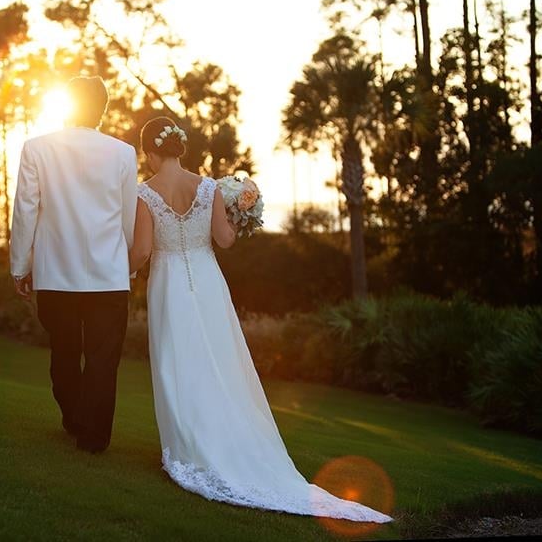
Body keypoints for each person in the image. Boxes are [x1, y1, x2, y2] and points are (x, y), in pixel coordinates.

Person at [128, 116, 393, 522]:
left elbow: (143, 250)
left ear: (149, 151)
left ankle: (188, 448)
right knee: (219, 359)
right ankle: (221, 438)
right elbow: (224, 240)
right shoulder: (209, 187)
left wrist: (124, 268)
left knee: (177, 362)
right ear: (179, 147)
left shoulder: (144, 194)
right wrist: (239, 216)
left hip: (168, 284)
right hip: (207, 279)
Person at [10, 76, 138, 454]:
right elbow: (127, 217)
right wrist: (127, 268)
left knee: (63, 352)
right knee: (102, 358)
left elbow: (25, 211)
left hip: (55, 273)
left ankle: (73, 418)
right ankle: (93, 435)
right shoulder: (123, 153)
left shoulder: (37, 149)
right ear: (103, 109)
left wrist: (20, 265)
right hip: (109, 275)